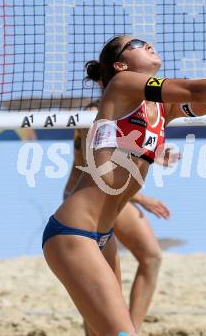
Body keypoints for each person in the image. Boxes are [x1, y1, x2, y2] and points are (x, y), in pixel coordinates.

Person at [42, 34, 206, 336]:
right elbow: (193, 88)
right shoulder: (122, 87)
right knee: (122, 332)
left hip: (102, 235)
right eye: (136, 44)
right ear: (120, 65)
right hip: (73, 234)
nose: (147, 44)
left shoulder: (163, 109)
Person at [64, 100, 177, 333]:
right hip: (88, 198)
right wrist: (142, 198)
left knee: (151, 257)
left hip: (115, 195)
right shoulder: (94, 112)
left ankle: (131, 330)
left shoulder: (136, 111)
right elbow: (94, 168)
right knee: (104, 285)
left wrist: (154, 152)